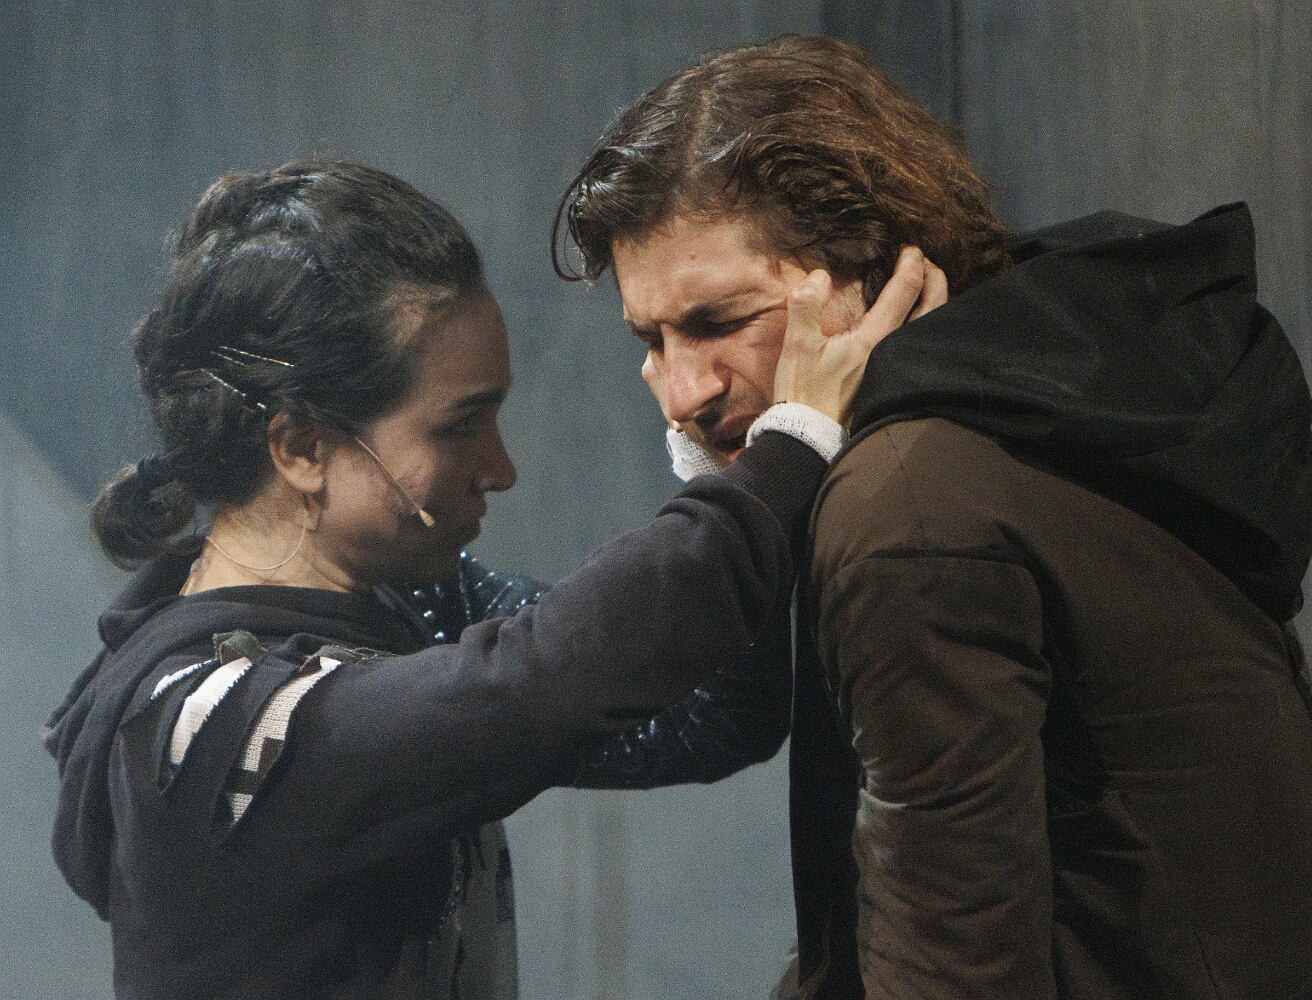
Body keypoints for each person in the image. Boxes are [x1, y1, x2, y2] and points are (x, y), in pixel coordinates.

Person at [554, 34, 1312, 999]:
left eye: (719, 322)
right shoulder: (1063, 370)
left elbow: (952, 972)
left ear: (870, 272)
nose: (680, 392)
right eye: (651, 340)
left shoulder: (903, 509)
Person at [45, 158, 940, 999]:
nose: (499, 468)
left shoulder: (402, 604)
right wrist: (791, 445)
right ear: (302, 447)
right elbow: (544, 679)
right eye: (459, 426)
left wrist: (726, 453)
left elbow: (704, 715)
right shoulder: (207, 728)